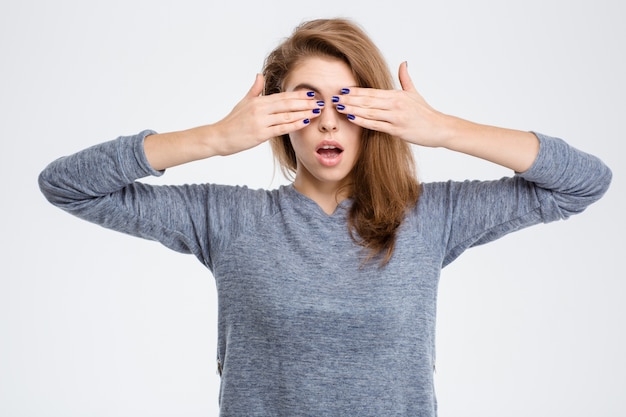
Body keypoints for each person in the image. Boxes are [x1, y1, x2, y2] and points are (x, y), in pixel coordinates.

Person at [39, 18, 611, 417]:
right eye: (307, 100)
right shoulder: (228, 219)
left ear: (376, 114)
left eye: (349, 101)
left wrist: (444, 130)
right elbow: (67, 185)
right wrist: (214, 138)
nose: (329, 121)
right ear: (279, 115)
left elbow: (584, 181)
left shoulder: (430, 215)